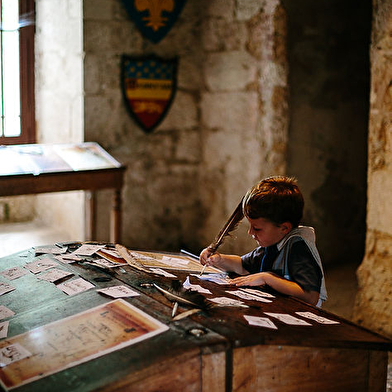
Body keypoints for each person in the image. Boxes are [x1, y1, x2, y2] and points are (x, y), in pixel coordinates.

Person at [199, 176, 327, 307]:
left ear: (284, 228)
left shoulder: (298, 247)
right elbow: (243, 266)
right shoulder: (272, 243)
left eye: (257, 228)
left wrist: (267, 278)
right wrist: (219, 259)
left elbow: (310, 296)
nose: (250, 232)